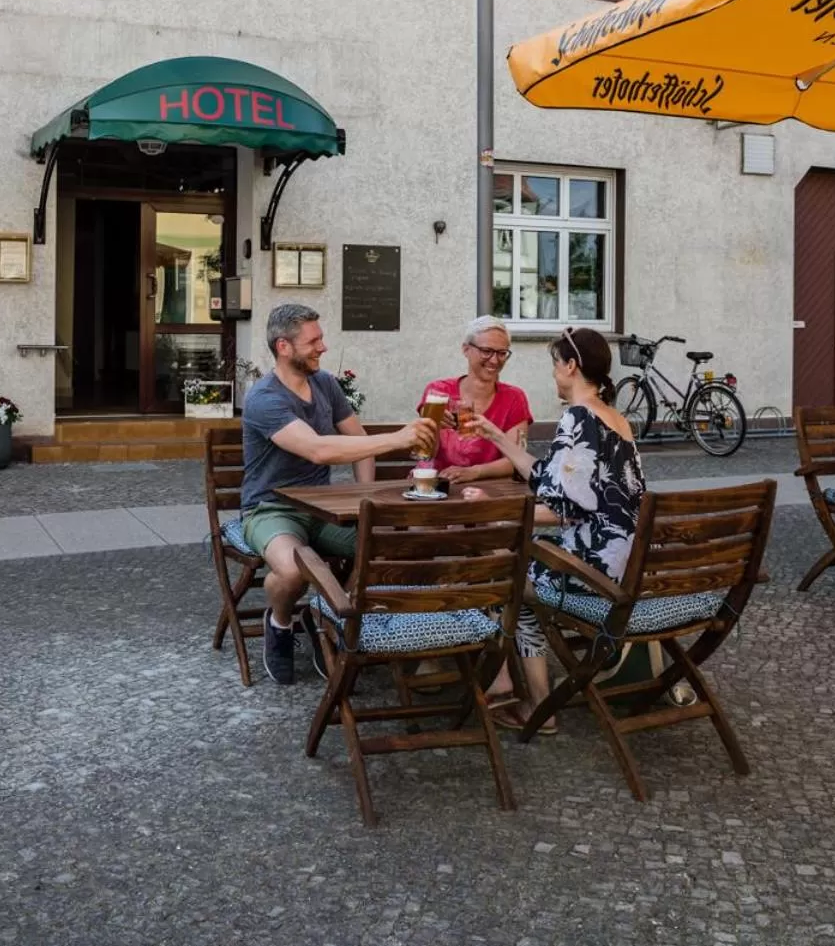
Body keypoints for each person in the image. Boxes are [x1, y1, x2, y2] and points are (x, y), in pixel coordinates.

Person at [241, 303, 438, 684]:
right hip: (271, 509)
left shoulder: (326, 384)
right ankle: (280, 622)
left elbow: (359, 442)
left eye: (321, 338)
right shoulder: (264, 398)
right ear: (283, 346)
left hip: (323, 507)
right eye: (313, 341)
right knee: (292, 571)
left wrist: (366, 498)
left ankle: (325, 617)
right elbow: (317, 449)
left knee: (389, 547)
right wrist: (398, 438)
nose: (323, 347)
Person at [462, 325, 646, 733]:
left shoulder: (577, 417)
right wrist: (498, 437)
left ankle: (526, 698)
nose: (553, 373)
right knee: (520, 569)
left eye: (555, 364)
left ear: (571, 366)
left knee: (500, 570)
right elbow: (551, 479)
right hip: (622, 563)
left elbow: (566, 509)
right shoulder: (615, 419)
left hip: (592, 572)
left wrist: (498, 509)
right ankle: (533, 697)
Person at [417, 315, 533, 484]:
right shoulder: (438, 392)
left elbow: (515, 460)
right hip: (438, 486)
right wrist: (434, 426)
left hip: (490, 490)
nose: (494, 360)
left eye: (502, 353)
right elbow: (426, 455)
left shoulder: (514, 397)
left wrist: (474, 472)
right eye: (486, 351)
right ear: (466, 349)